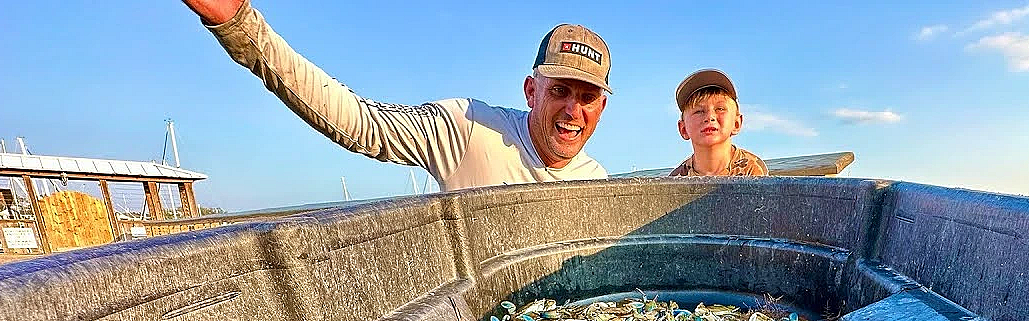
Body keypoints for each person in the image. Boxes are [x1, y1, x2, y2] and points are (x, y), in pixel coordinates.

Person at [179, 0, 611, 190]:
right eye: (559, 90)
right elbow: (360, 122)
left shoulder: (598, 185)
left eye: (587, 96)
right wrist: (242, 27)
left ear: (602, 107)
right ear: (531, 91)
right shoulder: (469, 129)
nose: (572, 109)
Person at [669, 69, 767, 177]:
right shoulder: (676, 179)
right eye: (699, 111)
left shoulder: (752, 169)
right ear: (683, 129)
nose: (710, 117)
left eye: (720, 109)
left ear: (736, 124)